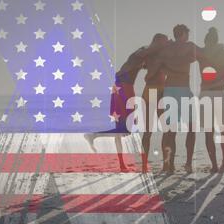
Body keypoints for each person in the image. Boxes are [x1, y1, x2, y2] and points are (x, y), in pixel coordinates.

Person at [84, 35, 164, 171]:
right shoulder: (143, 51)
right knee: (126, 128)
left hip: (121, 86)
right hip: (124, 87)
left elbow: (146, 67)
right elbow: (142, 57)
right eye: (163, 43)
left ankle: (120, 164)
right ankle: (94, 136)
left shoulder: (145, 55)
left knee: (122, 129)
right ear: (157, 42)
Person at [156, 24, 200, 172]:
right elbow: (199, 56)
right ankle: (187, 163)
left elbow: (161, 67)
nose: (188, 37)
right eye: (187, 34)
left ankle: (169, 164)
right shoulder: (189, 46)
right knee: (191, 128)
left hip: (169, 89)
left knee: (170, 131)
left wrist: (171, 67)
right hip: (182, 89)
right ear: (183, 34)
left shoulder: (166, 49)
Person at [197, 27, 224, 172]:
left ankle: (215, 165)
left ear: (206, 41)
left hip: (206, 92)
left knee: (208, 132)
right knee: (223, 130)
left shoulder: (201, 52)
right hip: (220, 92)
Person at [141, 34, 170, 172]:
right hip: (151, 92)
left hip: (160, 91)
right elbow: (148, 73)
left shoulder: (162, 55)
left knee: (165, 129)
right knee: (148, 130)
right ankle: (145, 164)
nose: (165, 44)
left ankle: (165, 163)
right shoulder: (151, 55)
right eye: (163, 41)